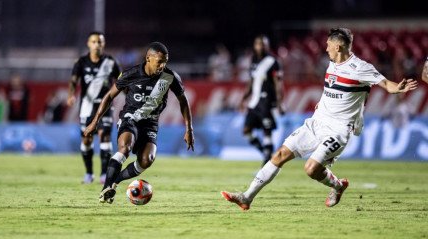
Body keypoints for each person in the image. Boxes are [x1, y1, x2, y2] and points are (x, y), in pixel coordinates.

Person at [221, 28, 418, 210]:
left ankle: (337, 185)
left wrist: (397, 88)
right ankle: (246, 197)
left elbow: (386, 83)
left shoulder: (360, 68)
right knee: (280, 154)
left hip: (339, 129)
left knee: (311, 169)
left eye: (328, 45)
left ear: (338, 46)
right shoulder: (332, 64)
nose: (325, 48)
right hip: (316, 122)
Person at [83, 42, 195, 204]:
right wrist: (94, 122)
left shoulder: (170, 77)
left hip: (150, 124)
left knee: (146, 160)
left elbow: (183, 101)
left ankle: (115, 182)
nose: (162, 65)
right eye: (159, 61)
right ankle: (106, 189)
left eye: (165, 61)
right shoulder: (131, 73)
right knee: (125, 147)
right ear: (148, 58)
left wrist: (189, 128)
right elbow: (109, 96)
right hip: (130, 118)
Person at [67, 31, 121, 184]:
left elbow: (120, 80)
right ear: (88, 44)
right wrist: (71, 95)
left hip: (105, 107)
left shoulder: (111, 62)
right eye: (94, 41)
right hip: (87, 107)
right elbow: (73, 81)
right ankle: (89, 174)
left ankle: (104, 175)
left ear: (103, 44)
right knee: (87, 140)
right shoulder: (81, 62)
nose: (97, 44)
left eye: (100, 42)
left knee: (105, 136)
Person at [240, 35, 284, 166]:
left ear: (267, 46)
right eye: (258, 44)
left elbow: (278, 84)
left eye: (263, 44)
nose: (261, 46)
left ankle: (267, 162)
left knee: (267, 131)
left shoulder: (272, 61)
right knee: (246, 130)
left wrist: (280, 103)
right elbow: (251, 81)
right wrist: (243, 98)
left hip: (266, 101)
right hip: (254, 102)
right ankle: (266, 154)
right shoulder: (254, 61)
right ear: (255, 46)